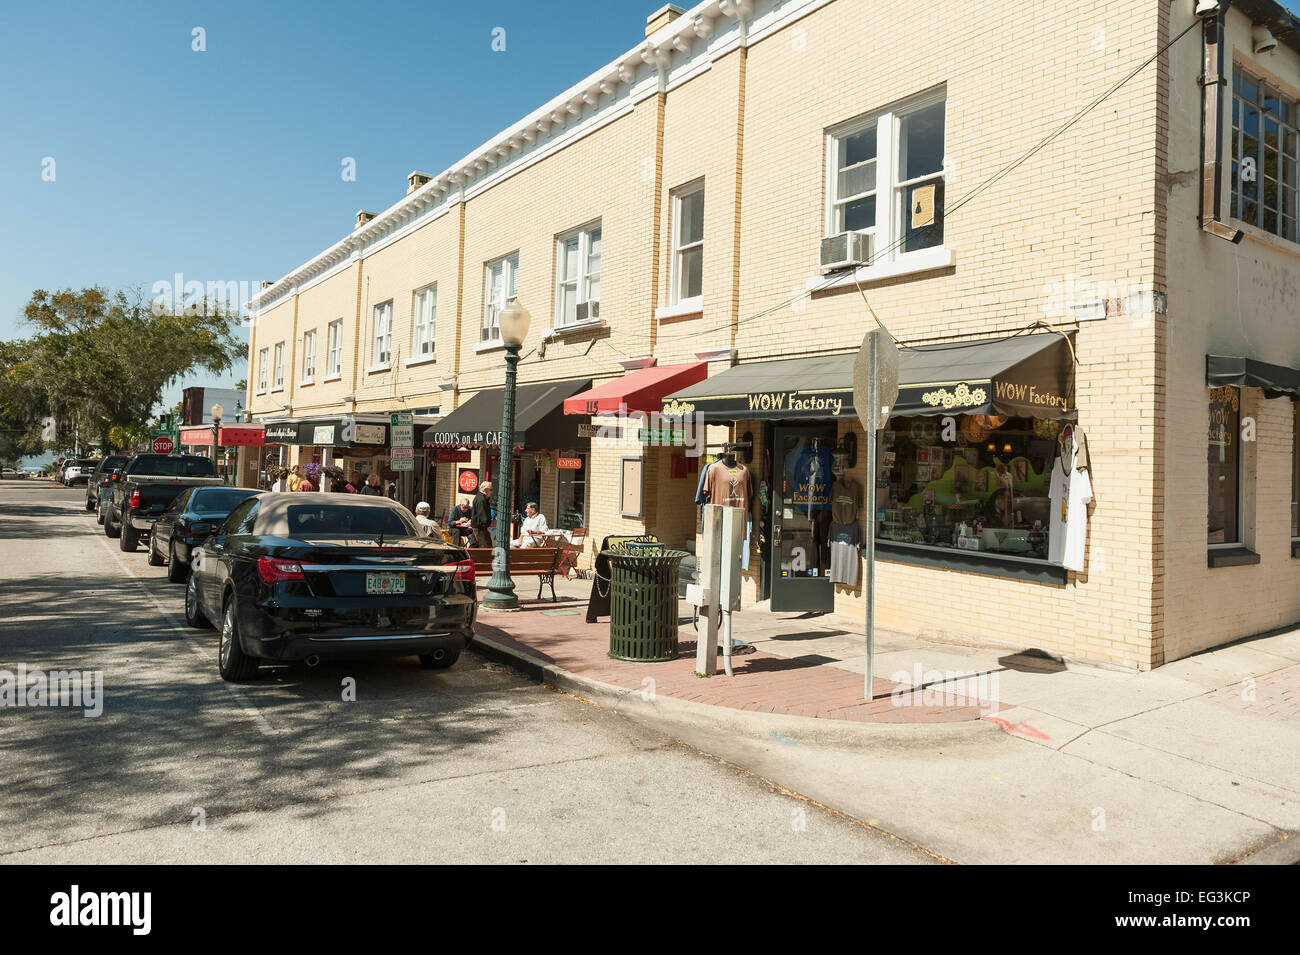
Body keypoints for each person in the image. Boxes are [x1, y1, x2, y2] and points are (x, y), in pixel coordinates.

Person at [470, 480, 493, 548]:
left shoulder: (480, 497)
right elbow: (482, 514)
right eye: (491, 490)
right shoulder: (481, 499)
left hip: (477, 526)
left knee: (474, 546)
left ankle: (468, 557)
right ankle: (486, 559)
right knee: (486, 546)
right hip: (480, 527)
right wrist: (487, 525)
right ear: (486, 490)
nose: (491, 492)